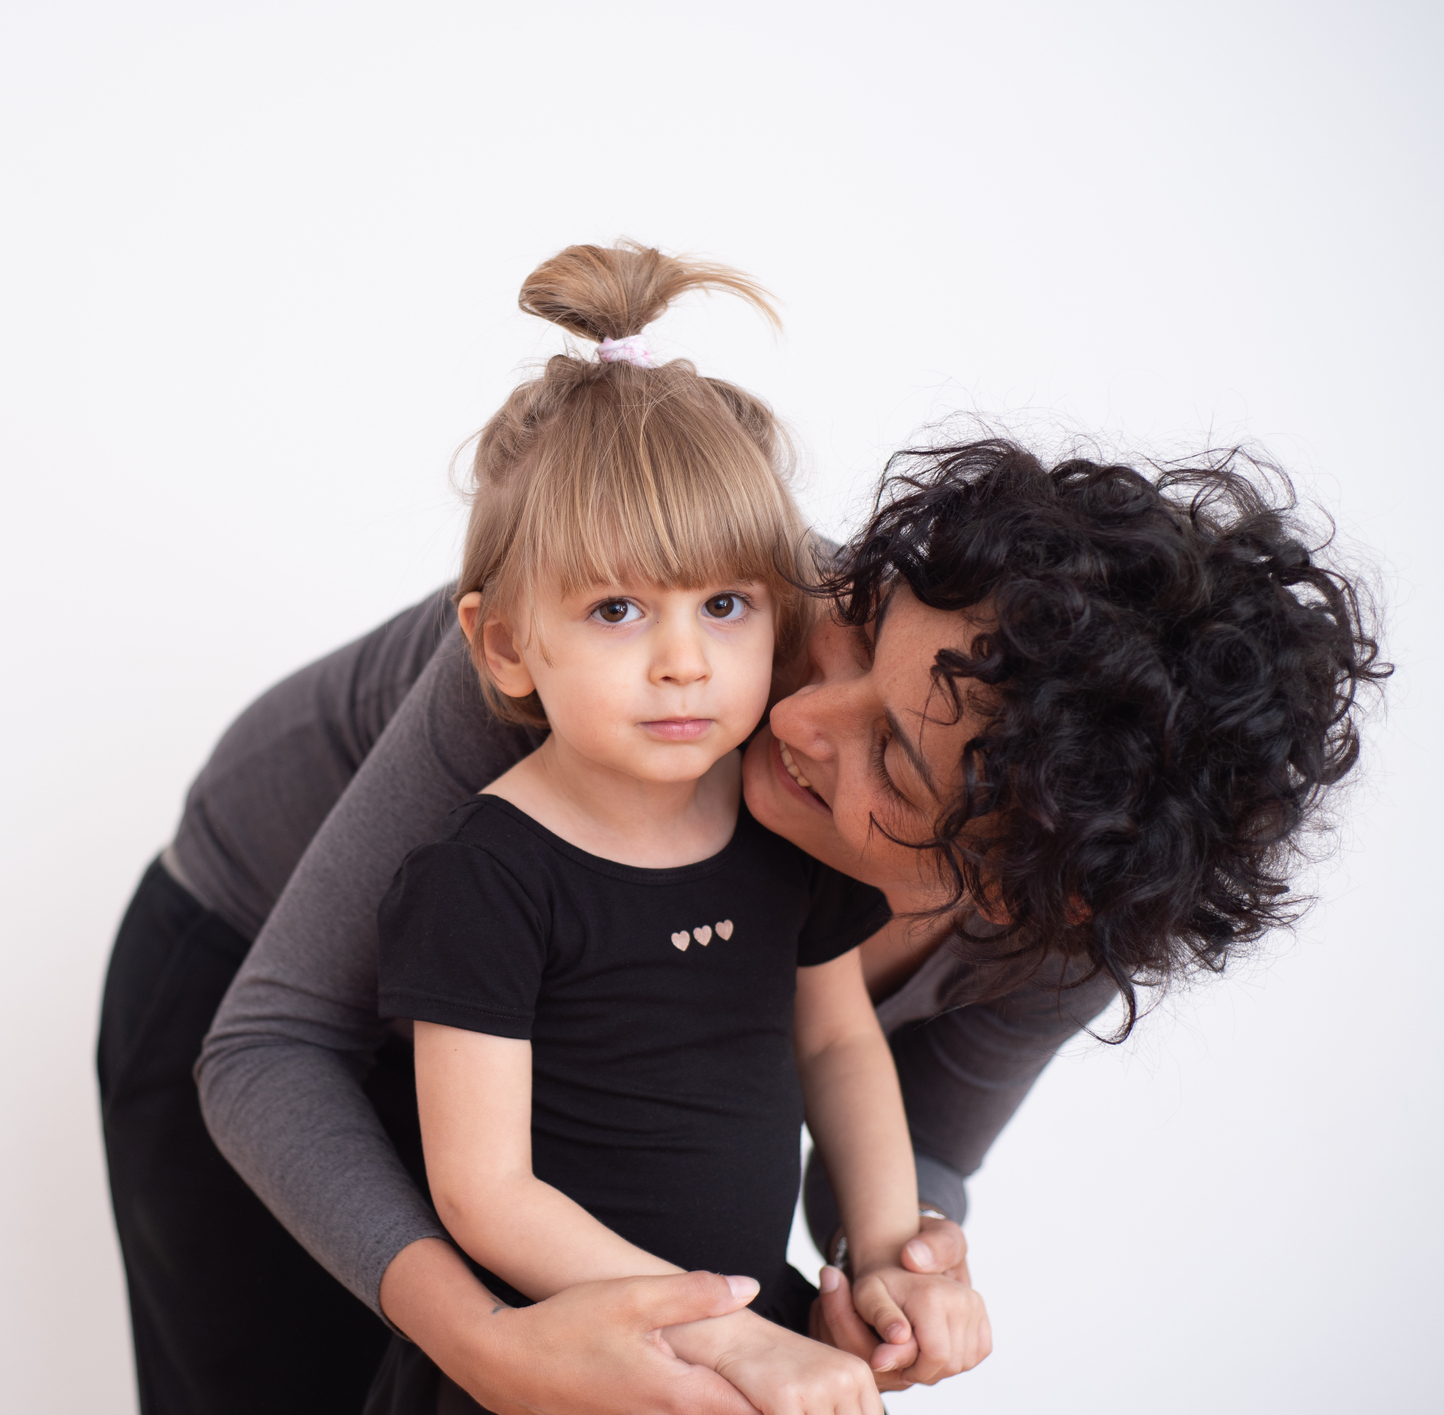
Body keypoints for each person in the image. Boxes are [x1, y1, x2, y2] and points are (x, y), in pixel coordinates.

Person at [102, 249, 1385, 1414]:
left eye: (892, 756)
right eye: (859, 641)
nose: (800, 712)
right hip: (262, 980)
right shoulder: (649, 640)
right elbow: (272, 1046)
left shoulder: (1055, 926)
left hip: (595, 1133)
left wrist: (901, 1258)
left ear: (1024, 889)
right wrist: (484, 1342)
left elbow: (908, 1127)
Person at [366, 243, 988, 1415]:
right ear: (503, 643)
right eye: (615, 608)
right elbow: (483, 1191)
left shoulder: (777, 837)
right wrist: (730, 1338)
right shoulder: (481, 877)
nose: (682, 658)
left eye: (724, 603)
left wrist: (896, 1249)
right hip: (568, 1365)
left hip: (752, 1347)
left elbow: (840, 1046)